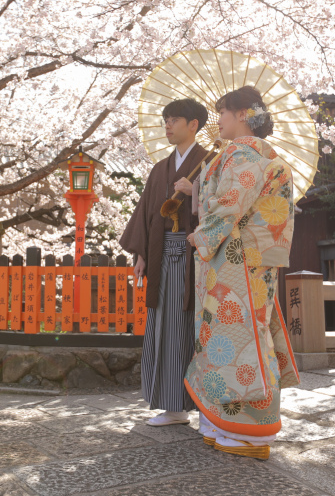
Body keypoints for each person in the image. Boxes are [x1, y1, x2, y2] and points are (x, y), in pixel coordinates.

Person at [185, 86, 300, 459]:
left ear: (243, 115)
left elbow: (232, 202)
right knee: (237, 334)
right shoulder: (257, 155)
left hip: (235, 258)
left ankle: (251, 429)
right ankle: (222, 421)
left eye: (222, 113)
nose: (217, 120)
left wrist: (200, 235)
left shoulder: (242, 152)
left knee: (237, 339)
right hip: (247, 258)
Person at [120, 98, 210, 426]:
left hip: (199, 261)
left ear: (194, 125)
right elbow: (147, 215)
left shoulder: (210, 162)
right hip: (164, 258)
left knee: (200, 330)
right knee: (166, 328)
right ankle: (174, 407)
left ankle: (209, 408)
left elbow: (225, 208)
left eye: (174, 120)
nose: (168, 126)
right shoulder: (160, 169)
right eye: (166, 120)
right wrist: (142, 254)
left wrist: (196, 192)